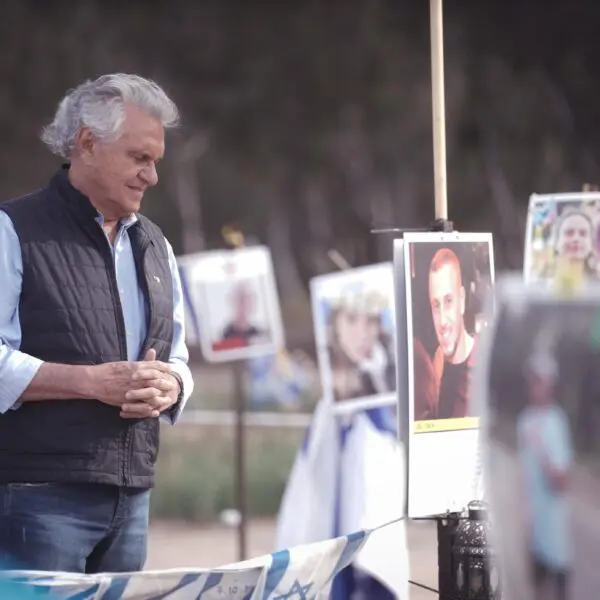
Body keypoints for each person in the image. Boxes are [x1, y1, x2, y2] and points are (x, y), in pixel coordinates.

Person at [0, 74, 194, 573]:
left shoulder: (158, 246)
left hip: (133, 501)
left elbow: (178, 357)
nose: (151, 176)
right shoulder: (11, 231)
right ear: (87, 143)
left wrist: (169, 386)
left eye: (156, 162)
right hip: (35, 500)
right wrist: (89, 382)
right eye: (139, 158)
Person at [517, 351, 573, 600]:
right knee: (537, 591)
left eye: (541, 380)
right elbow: (524, 481)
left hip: (556, 536)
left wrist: (543, 454)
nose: (536, 385)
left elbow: (561, 483)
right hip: (534, 533)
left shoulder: (557, 422)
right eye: (533, 380)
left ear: (551, 384)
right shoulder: (524, 422)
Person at [427, 247, 476, 419]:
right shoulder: (438, 361)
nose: (442, 322)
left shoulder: (485, 360)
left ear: (461, 300)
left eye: (448, 301)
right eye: (435, 306)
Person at [327, 288, 395, 403]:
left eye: (372, 320)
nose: (363, 334)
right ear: (335, 324)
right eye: (351, 319)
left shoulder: (393, 355)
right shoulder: (330, 376)